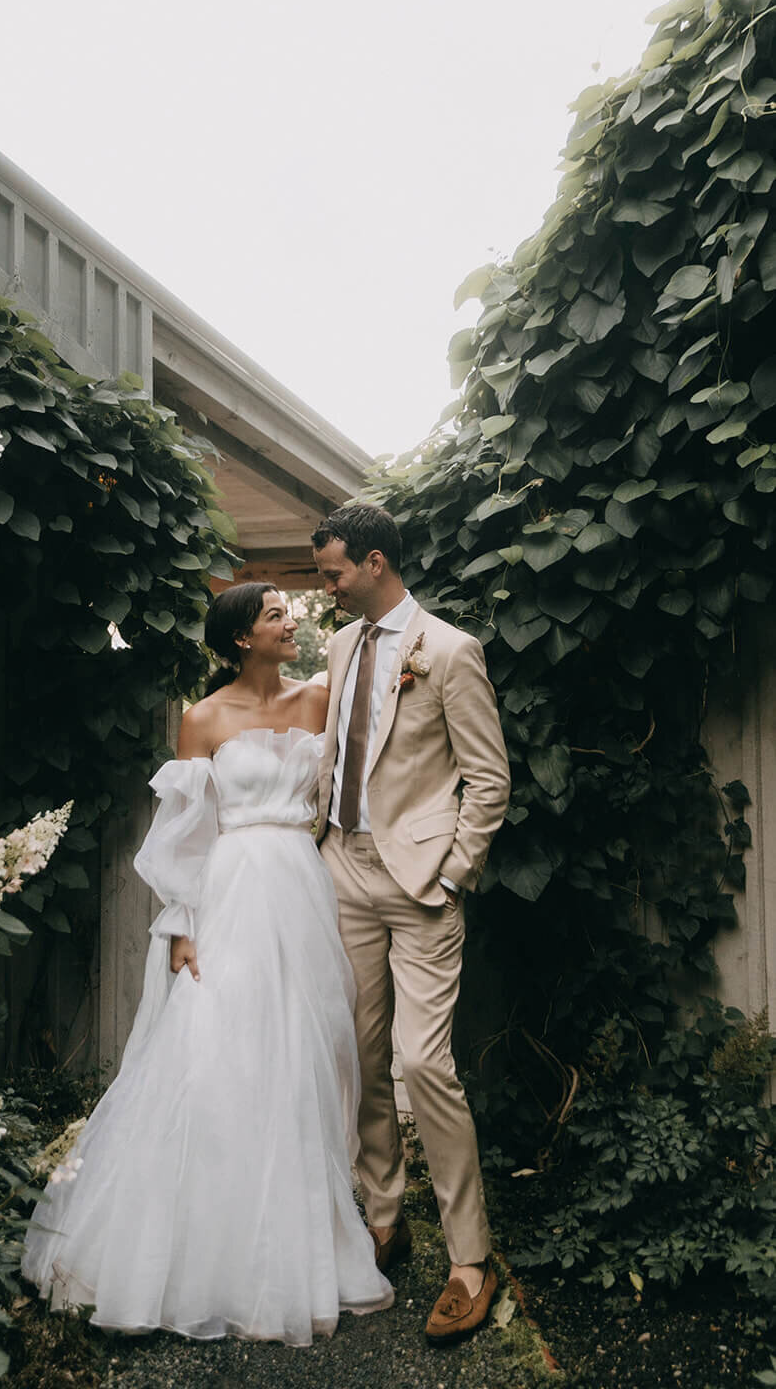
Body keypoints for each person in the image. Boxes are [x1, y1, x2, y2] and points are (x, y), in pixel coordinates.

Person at [22, 580, 393, 1345]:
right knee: (219, 1050)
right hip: (232, 892)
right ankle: (199, 1244)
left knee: (306, 1051)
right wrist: (182, 923)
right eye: (274, 615)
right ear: (238, 638)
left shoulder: (321, 697)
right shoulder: (203, 717)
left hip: (303, 886)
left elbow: (378, 725)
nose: (291, 621)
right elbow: (185, 830)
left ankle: (298, 1242)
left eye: (291, 612)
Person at [312, 503, 511, 1343]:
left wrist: (454, 873)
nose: (324, 590)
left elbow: (487, 779)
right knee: (356, 1057)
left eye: (332, 574)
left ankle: (471, 1257)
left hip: (422, 881)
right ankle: (383, 1221)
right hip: (341, 868)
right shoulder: (339, 644)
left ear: (376, 562)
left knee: (421, 1062)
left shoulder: (450, 651)